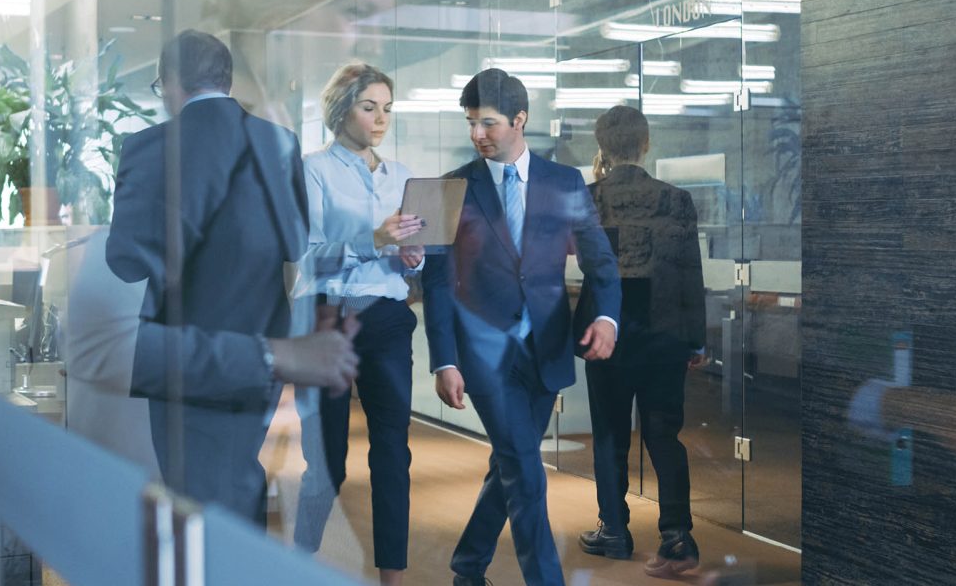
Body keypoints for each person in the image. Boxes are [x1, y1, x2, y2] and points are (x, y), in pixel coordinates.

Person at [105, 29, 359, 524]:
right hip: (263, 344)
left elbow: (126, 261)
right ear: (225, 79)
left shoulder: (146, 146)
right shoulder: (279, 142)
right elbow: (293, 244)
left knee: (191, 491)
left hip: (184, 350)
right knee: (237, 472)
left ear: (172, 82)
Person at [422, 68, 622, 586]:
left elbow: (601, 263)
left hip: (547, 349)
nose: (477, 135)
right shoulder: (448, 189)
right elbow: (438, 284)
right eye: (470, 124)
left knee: (512, 463)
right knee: (526, 472)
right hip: (483, 355)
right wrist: (444, 359)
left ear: (519, 120)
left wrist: (605, 316)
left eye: (487, 123)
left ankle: (468, 567)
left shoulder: (565, 182)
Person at [292, 62, 423, 586]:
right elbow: (306, 261)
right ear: (342, 109)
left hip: (388, 317)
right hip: (328, 318)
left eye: (387, 108)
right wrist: (375, 239)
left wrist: (414, 254)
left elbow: (413, 256)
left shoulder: (402, 175)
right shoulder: (312, 170)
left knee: (393, 453)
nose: (380, 118)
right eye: (369, 107)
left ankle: (392, 576)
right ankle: (297, 564)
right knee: (328, 463)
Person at [573, 105, 707, 578]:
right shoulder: (677, 199)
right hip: (666, 333)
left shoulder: (588, 197)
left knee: (609, 433)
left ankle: (613, 529)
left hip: (607, 333)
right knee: (664, 434)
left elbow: (591, 268)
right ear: (646, 143)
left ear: (602, 146)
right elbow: (691, 271)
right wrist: (696, 339)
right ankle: (676, 534)